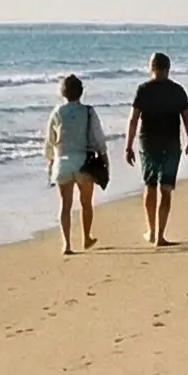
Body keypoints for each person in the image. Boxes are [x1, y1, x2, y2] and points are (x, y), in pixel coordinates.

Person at [124, 52, 188, 246]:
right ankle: (160, 236)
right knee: (166, 188)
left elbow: (133, 120)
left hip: (148, 143)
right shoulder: (177, 90)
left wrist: (128, 146)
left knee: (150, 185)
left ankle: (152, 230)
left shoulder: (143, 90)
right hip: (171, 144)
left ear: (151, 68)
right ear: (168, 68)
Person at [44, 74, 107, 255]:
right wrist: (104, 156)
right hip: (83, 161)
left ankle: (67, 244)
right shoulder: (88, 111)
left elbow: (50, 140)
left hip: (62, 161)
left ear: (62, 93)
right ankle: (86, 237)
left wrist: (50, 161)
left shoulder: (57, 112)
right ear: (81, 92)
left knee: (65, 205)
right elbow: (98, 137)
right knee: (86, 203)